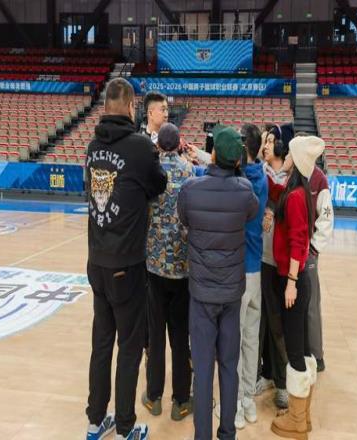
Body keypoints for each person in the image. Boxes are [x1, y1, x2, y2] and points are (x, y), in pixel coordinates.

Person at [85, 78, 167, 440]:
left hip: (97, 262)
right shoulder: (139, 147)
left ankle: (95, 420)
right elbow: (158, 185)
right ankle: (124, 426)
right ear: (132, 106)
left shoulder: (91, 147)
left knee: (102, 343)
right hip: (127, 264)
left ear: (105, 106)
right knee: (130, 347)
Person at [177, 125, 259, 440]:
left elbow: (184, 219)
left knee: (202, 370)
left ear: (212, 154)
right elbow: (251, 213)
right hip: (231, 293)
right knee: (228, 366)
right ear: (237, 160)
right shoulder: (244, 192)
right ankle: (227, 433)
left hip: (201, 294)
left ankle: (202, 435)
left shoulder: (191, 190)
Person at [267, 136, 325, 439]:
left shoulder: (295, 197)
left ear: (297, 159)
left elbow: (299, 241)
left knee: (295, 350)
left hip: (294, 281)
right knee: (301, 347)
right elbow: (275, 190)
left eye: (289, 153)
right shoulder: (294, 191)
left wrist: (290, 283)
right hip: (298, 280)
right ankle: (302, 414)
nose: (284, 156)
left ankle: (297, 420)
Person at [213, 124, 268, 430]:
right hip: (256, 268)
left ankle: (232, 405)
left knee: (232, 340)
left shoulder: (238, 183)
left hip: (237, 270)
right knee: (250, 339)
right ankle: (247, 399)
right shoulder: (262, 178)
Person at [142, 123, 193, 421]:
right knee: (180, 336)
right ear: (178, 144)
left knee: (156, 335)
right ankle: (181, 400)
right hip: (183, 267)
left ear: (159, 145)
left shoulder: (151, 171)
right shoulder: (189, 171)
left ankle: (154, 396)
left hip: (155, 265)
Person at [256, 133, 289, 410]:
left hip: (282, 263)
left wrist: (273, 210)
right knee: (260, 324)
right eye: (263, 141)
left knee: (278, 327)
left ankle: (282, 383)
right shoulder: (259, 174)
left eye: (270, 141)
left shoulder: (291, 180)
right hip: (261, 259)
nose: (265, 146)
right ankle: (263, 374)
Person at [296, 133, 334, 374]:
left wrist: (314, 248)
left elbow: (327, 218)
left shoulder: (319, 180)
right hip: (293, 250)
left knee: (311, 303)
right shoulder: (295, 175)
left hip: (307, 253)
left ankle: (316, 354)